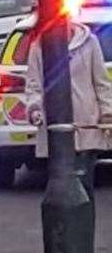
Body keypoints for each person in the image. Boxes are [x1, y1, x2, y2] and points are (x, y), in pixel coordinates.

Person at [26, 19, 112, 203]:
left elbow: (102, 83)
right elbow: (34, 85)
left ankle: (84, 228)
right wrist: (34, 109)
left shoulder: (89, 42)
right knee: (63, 187)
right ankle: (68, 228)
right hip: (55, 129)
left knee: (83, 185)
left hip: (86, 126)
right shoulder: (39, 47)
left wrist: (107, 114)